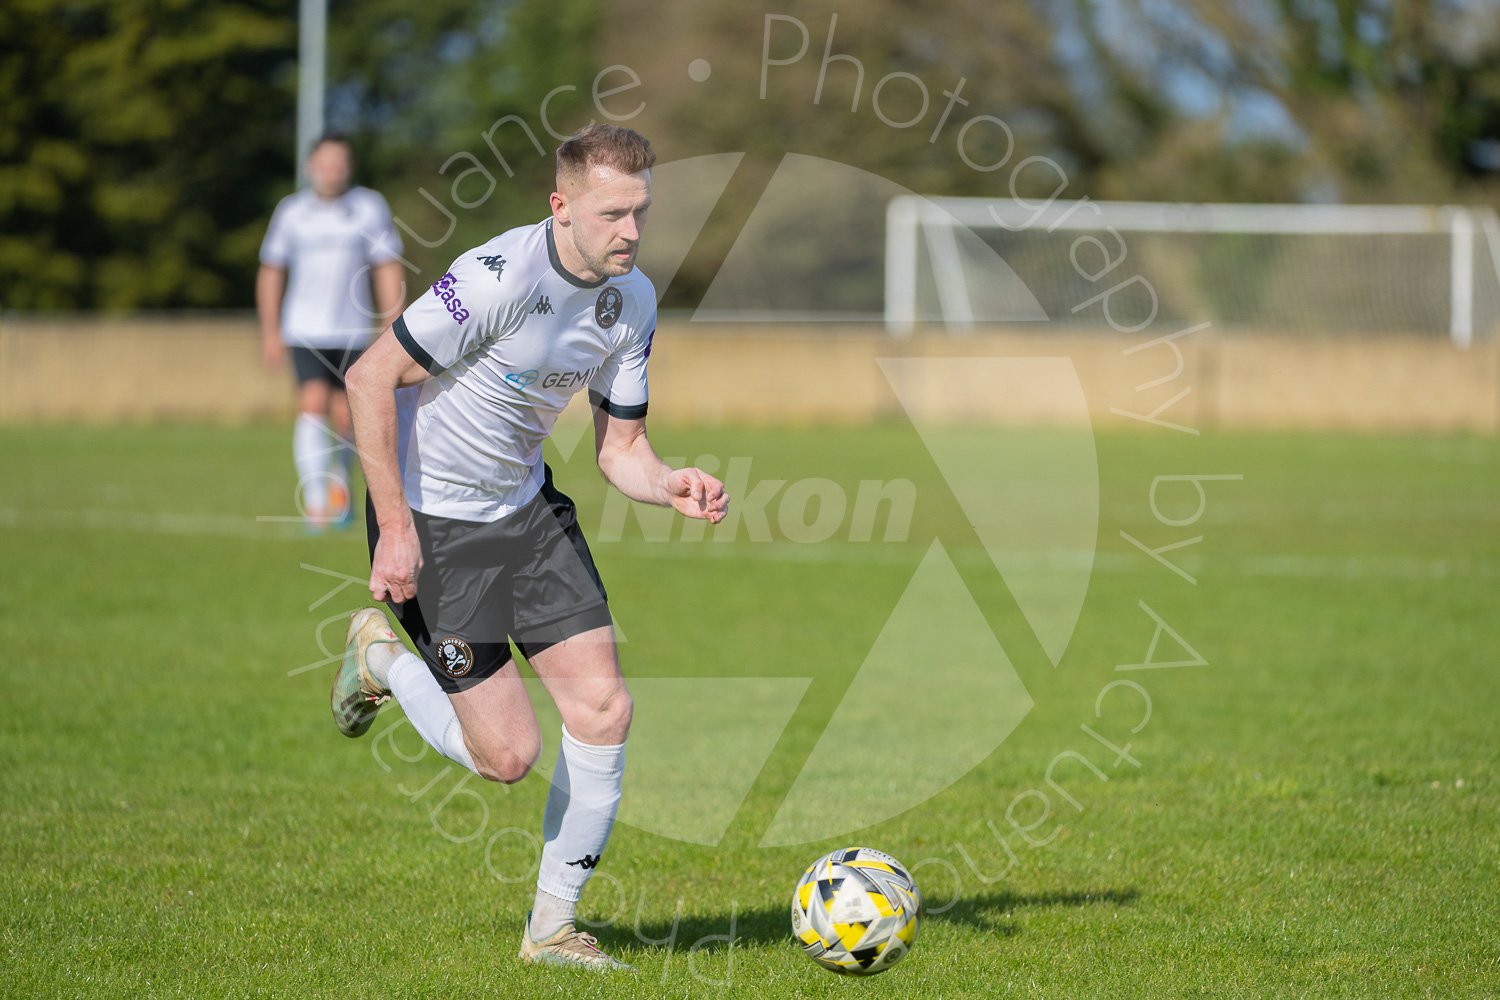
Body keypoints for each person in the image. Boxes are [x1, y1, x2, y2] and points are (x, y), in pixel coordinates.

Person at [335, 123, 729, 971]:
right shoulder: (495, 277)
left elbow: (620, 451)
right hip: (434, 523)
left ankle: (552, 928)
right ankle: (384, 665)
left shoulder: (635, 302)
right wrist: (395, 527)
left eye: (641, 212)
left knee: (605, 710)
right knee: (509, 757)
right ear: (562, 207)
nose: (631, 230)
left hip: (526, 511)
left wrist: (670, 485)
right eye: (613, 212)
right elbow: (369, 378)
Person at [257, 134, 405, 530]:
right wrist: (270, 331)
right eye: (325, 162)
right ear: (310, 167)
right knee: (312, 402)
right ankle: (316, 499)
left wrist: (394, 323)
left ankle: (340, 485)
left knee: (348, 414)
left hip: (354, 329)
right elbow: (271, 270)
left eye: (339, 162)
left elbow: (386, 265)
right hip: (304, 329)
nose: (332, 170)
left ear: (349, 167)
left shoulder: (368, 206)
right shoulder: (291, 212)